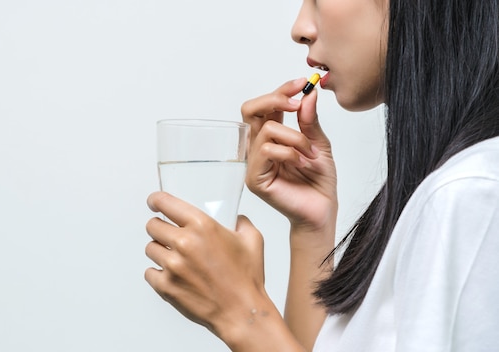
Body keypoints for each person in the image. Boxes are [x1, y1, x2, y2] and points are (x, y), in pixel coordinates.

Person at [144, 0, 499, 350]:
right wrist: (312, 226)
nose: (299, 28)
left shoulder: (472, 193)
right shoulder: (445, 187)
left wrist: (242, 314)